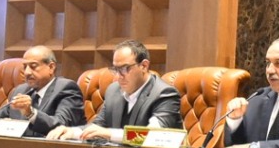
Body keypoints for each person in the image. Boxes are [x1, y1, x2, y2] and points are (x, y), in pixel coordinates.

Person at [49, 40, 182, 141]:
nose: (118, 76)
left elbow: (153, 136)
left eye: (125, 69)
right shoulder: (114, 91)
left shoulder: (164, 94)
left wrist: (109, 134)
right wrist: (72, 132)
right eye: (116, 69)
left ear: (144, 66)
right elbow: (97, 126)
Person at [0, 45, 85, 138]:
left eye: (33, 66)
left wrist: (30, 113)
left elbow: (61, 126)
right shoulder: (21, 90)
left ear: (51, 67)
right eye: (25, 66)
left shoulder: (66, 88)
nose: (26, 72)